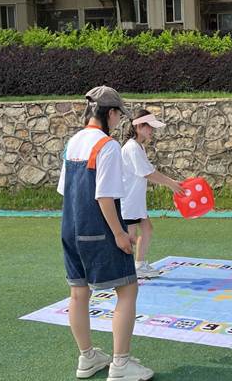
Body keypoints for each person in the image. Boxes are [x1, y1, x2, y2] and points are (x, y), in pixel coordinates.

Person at [57, 86, 154, 381]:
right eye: (117, 116)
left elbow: (64, 189)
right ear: (111, 113)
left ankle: (87, 358)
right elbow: (105, 197)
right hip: (98, 230)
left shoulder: (74, 141)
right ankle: (121, 364)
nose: (117, 122)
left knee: (78, 293)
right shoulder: (107, 145)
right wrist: (120, 235)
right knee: (127, 290)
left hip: (70, 228)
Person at [121, 109, 183, 278]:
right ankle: (123, 272)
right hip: (128, 200)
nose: (152, 131)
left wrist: (171, 183)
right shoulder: (132, 147)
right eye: (150, 127)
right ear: (139, 127)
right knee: (130, 238)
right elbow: (148, 173)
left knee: (147, 229)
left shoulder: (138, 146)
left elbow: (147, 171)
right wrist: (172, 184)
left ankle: (139, 265)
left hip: (135, 200)